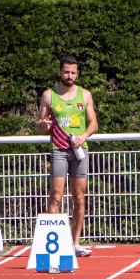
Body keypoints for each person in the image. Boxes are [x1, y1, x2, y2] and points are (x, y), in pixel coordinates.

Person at [36, 55, 99, 258]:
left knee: (79, 197)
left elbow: (94, 124)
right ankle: (52, 243)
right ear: (60, 72)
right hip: (58, 150)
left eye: (73, 72)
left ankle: (75, 243)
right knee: (55, 196)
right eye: (66, 72)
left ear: (77, 73)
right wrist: (42, 125)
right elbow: (39, 124)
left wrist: (83, 136)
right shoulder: (49, 95)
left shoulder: (85, 95)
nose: (69, 76)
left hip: (79, 151)